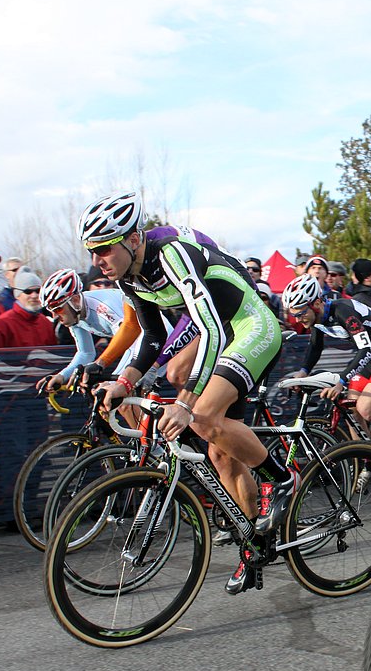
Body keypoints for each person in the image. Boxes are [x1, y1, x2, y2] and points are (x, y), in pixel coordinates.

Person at [82, 192, 288, 596]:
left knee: (204, 415)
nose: (97, 260)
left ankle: (281, 480)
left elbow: (211, 327)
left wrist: (185, 403)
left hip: (249, 325)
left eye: (104, 248)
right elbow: (154, 336)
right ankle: (255, 548)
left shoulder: (172, 255)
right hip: (220, 333)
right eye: (92, 251)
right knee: (220, 455)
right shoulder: (130, 278)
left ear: (134, 240)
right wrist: (123, 382)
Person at [284, 272, 371, 434]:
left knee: (366, 408)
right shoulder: (318, 319)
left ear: (316, 303)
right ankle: (367, 456)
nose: (298, 320)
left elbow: (365, 349)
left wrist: (341, 382)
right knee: (351, 411)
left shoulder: (342, 311)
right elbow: (315, 347)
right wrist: (302, 373)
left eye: (300, 314)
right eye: (294, 316)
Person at [0, 270, 58, 348]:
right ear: (17, 295)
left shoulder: (45, 323)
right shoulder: (0, 325)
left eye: (38, 291)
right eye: (28, 291)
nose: (34, 295)